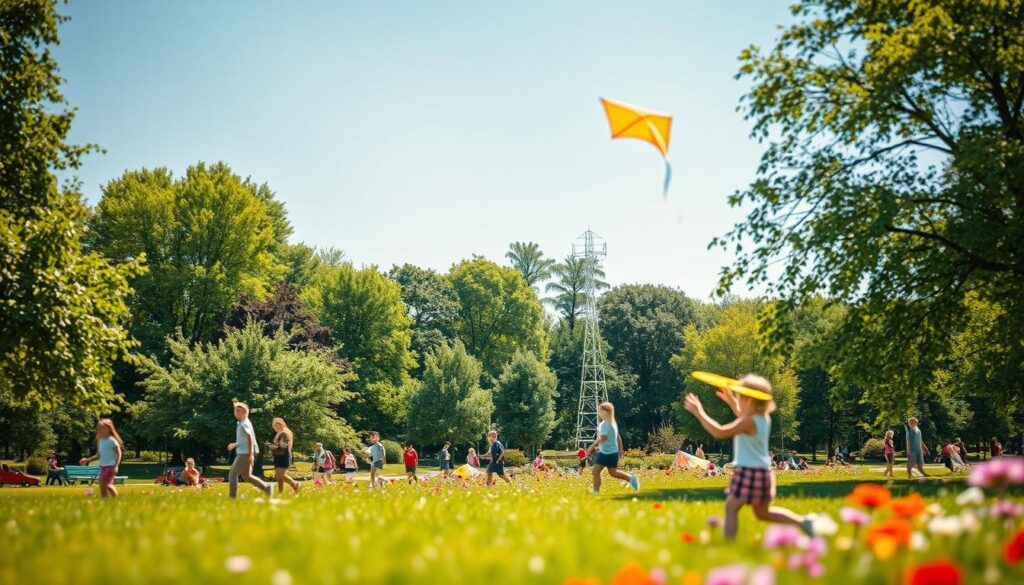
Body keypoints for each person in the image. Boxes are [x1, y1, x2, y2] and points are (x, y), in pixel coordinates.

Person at [682, 374, 814, 540]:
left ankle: (728, 545)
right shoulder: (762, 418)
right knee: (763, 513)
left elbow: (719, 432)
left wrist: (699, 412)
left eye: (741, 396)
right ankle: (804, 523)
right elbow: (743, 414)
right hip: (764, 472)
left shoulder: (748, 421)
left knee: (731, 508)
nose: (739, 398)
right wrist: (732, 401)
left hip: (750, 471)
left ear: (750, 400)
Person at [586, 402, 640, 494]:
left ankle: (595, 491)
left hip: (606, 453)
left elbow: (603, 437)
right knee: (613, 472)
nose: (598, 413)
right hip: (613, 452)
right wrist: (620, 449)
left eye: (600, 411)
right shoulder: (613, 423)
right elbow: (618, 437)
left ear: (606, 412)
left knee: (595, 471)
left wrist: (592, 446)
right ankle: (631, 478)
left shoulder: (604, 424)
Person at [226, 401, 273, 499]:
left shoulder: (244, 423)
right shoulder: (242, 423)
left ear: (245, 412)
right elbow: (243, 440)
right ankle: (267, 488)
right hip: (245, 452)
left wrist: (250, 454)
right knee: (246, 476)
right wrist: (235, 445)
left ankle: (232, 498)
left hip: (245, 453)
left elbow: (250, 438)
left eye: (240, 411)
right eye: (236, 410)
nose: (237, 412)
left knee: (233, 474)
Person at [79, 419, 123, 498]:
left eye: (103, 428)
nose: (101, 430)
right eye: (99, 428)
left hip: (111, 466)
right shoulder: (101, 441)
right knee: (106, 485)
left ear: (109, 429)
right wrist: (87, 460)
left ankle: (106, 500)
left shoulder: (112, 440)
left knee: (103, 484)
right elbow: (98, 455)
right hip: (103, 467)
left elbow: (119, 453)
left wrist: (116, 466)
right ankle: (113, 498)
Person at [267, 418, 300, 495]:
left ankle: (281, 492)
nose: (273, 426)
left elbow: (283, 446)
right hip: (278, 455)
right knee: (279, 475)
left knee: (279, 475)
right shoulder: (279, 432)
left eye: (274, 425)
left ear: (279, 425)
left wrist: (273, 446)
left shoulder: (284, 433)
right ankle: (295, 485)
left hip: (283, 456)